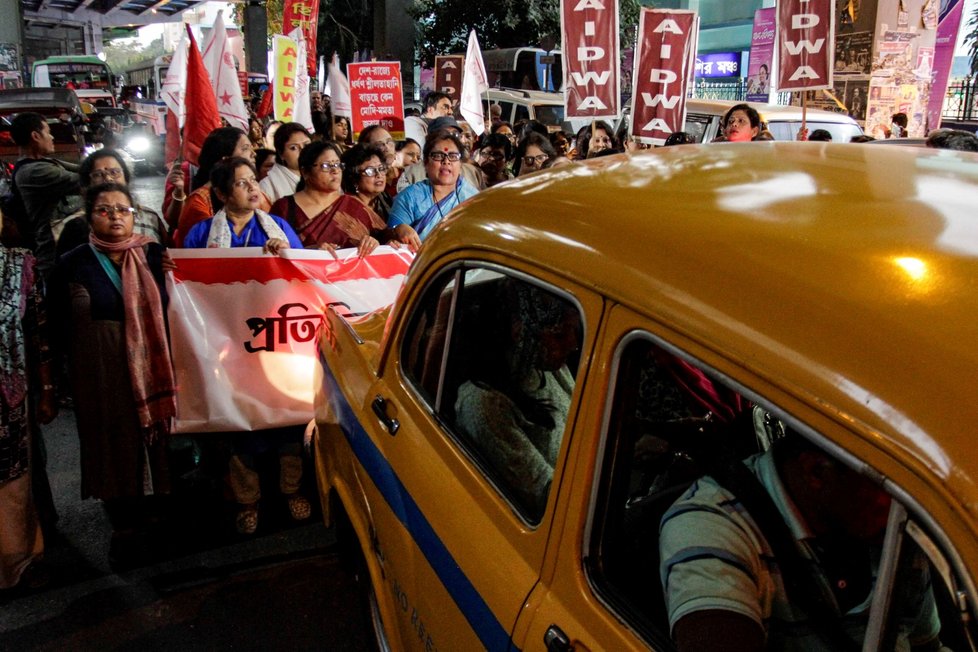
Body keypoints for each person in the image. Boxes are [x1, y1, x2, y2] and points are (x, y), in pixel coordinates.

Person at [659, 431, 942, 651]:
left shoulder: (895, 527)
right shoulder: (711, 524)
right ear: (817, 471)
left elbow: (925, 646)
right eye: (889, 487)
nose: (911, 504)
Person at [182, 159, 311, 535]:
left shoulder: (278, 228)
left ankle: (292, 490)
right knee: (238, 422)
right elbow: (188, 284)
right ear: (221, 194)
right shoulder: (202, 234)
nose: (252, 188)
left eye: (253, 180)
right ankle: (247, 499)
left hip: (275, 344)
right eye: (241, 183)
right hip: (227, 349)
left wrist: (283, 253)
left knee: (286, 418)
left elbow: (302, 275)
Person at [53, 183, 176, 546]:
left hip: (149, 369)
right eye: (104, 210)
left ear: (134, 215)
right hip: (100, 370)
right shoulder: (73, 262)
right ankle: (123, 520)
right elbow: (57, 321)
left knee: (154, 438)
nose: (115, 217)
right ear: (89, 216)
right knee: (111, 441)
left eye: (123, 210)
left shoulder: (153, 255)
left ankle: (159, 514)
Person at [454, 282, 580, 517]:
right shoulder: (485, 405)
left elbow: (582, 423)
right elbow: (545, 497)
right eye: (560, 334)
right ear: (520, 332)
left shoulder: (546, 366)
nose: (572, 344)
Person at [0, 227, 56, 590]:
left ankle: (15, 561)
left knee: (12, 476)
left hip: (8, 395)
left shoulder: (18, 265)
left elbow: (38, 331)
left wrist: (48, 388)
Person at [268, 142, 387, 258]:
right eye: (326, 166)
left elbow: (385, 240)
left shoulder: (354, 206)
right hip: (302, 275)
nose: (335, 171)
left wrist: (374, 242)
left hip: (349, 276)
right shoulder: (284, 208)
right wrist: (312, 251)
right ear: (305, 172)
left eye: (337, 165)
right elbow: (273, 250)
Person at [9, 112, 83, 284]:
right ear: (35, 136)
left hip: (60, 250)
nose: (52, 137)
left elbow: (83, 168)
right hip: (54, 254)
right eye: (48, 132)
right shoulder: (34, 172)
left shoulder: (43, 164)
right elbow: (85, 179)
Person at [57, 149, 169, 256]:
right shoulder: (75, 227)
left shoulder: (149, 217)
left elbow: (166, 258)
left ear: (126, 177)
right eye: (98, 174)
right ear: (87, 184)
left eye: (114, 172)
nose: (108, 178)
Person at [172, 127, 270, 247]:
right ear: (226, 159)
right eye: (245, 149)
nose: (253, 153)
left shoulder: (258, 193)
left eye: (252, 180)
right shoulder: (199, 202)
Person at [388, 130, 479, 250]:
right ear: (426, 163)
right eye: (438, 156)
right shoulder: (409, 197)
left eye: (453, 156)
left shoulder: (475, 199)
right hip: (419, 265)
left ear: (460, 164)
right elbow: (389, 237)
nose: (446, 161)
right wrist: (397, 230)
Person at [341, 143, 395, 224]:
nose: (379, 175)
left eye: (381, 169)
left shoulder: (384, 199)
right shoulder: (347, 208)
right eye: (370, 171)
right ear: (354, 179)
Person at [259, 122, 312, 204]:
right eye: (293, 148)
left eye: (306, 144)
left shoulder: (321, 172)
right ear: (281, 154)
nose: (303, 150)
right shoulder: (268, 186)